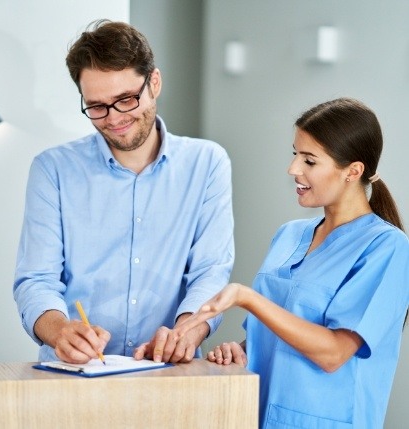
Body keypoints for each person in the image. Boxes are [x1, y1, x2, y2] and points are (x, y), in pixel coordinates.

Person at [174, 98, 409, 428]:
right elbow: (278, 335)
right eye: (295, 154)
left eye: (309, 160)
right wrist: (241, 350)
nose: (293, 169)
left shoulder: (387, 248)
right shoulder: (289, 235)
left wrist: (247, 298)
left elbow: (333, 353)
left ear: (353, 171)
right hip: (255, 417)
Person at [13, 19, 234, 365]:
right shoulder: (52, 169)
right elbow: (36, 280)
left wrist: (186, 332)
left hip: (168, 371)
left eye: (126, 100)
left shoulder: (207, 163)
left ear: (154, 83)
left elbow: (210, 272)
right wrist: (60, 331)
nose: (113, 118)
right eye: (97, 106)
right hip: (75, 374)